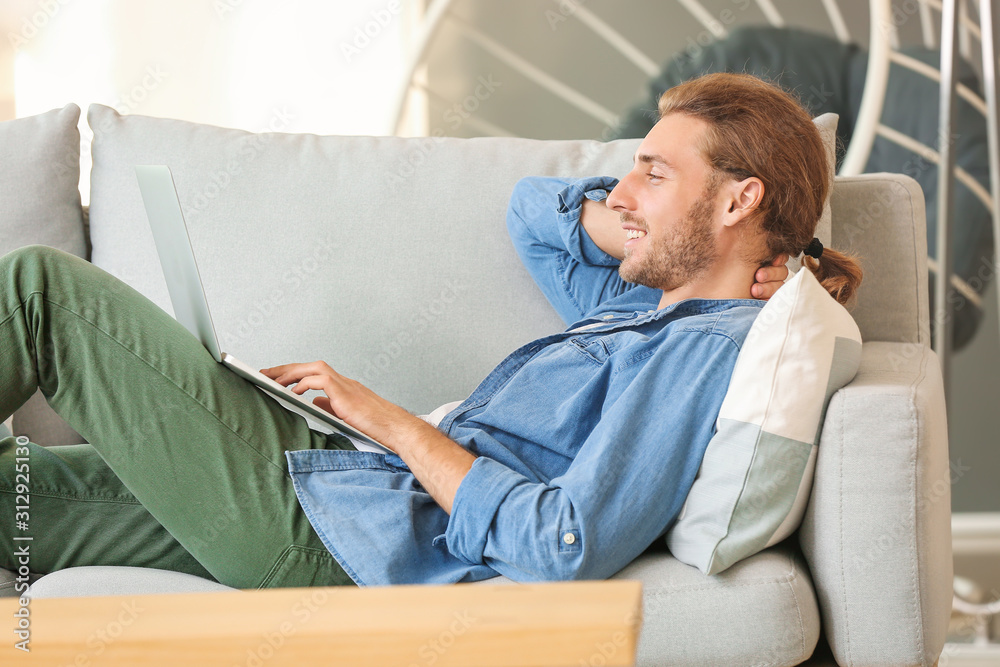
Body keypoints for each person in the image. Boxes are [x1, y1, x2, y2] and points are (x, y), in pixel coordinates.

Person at [0, 72, 860, 590]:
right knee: (18, 497)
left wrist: (387, 420)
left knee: (39, 289)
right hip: (336, 493)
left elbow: (564, 541)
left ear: (740, 199)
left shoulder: (700, 350)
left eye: (654, 172)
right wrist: (651, 227)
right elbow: (533, 212)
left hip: (340, 539)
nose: (622, 192)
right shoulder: (644, 307)